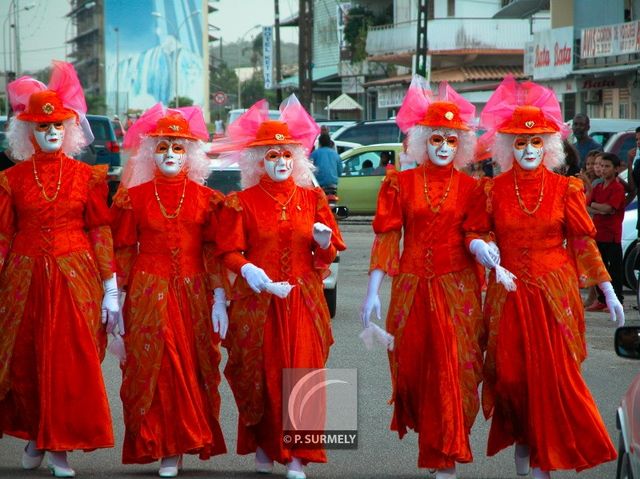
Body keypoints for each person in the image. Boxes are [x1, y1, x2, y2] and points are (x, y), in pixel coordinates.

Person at [474, 76, 623, 479]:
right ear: (507, 146)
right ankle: (522, 437)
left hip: (555, 293)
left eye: (536, 141)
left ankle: (545, 453)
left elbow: (581, 243)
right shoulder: (492, 189)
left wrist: (607, 288)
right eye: (520, 143)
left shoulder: (565, 189)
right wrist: (481, 247)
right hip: (508, 293)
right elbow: (480, 231)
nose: (527, 149)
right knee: (511, 376)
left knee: (554, 377)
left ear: (549, 145)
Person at [360, 76, 488, 479]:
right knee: (415, 370)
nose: (444, 148)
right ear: (422, 141)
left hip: (458, 288)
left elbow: (476, 231)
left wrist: (479, 245)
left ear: (461, 144)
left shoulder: (471, 187)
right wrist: (373, 290)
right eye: (436, 140)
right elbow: (388, 235)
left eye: (451, 140)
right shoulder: (401, 183)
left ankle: (445, 453)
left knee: (457, 369)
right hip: (412, 287)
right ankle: (433, 443)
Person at [216, 95, 346, 479]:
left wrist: (322, 244)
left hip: (303, 298)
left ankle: (298, 456)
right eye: (272, 155)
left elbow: (328, 252)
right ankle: (264, 444)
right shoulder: (242, 202)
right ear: (259, 161)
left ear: (297, 157)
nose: (281, 162)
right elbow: (227, 252)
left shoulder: (312, 197)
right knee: (260, 373)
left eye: (287, 154)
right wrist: (248, 270)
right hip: (259, 300)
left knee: (305, 371)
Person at [0, 61, 119, 477]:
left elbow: (101, 232)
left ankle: (59, 446)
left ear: (68, 129)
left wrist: (111, 287)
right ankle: (37, 433)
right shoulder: (11, 179)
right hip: (24, 278)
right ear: (27, 132)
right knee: (26, 360)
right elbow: (2, 236)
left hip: (76, 276)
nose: (50, 133)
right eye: (41, 127)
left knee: (69, 361)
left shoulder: (88, 177)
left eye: (57, 127)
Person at [111, 104, 227, 477]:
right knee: (156, 367)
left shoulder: (207, 199)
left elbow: (213, 251)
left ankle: (181, 440)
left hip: (192, 293)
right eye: (163, 147)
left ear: (190, 154)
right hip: (149, 291)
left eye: (178, 148)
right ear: (150, 153)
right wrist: (116, 294)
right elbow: (124, 247)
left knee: (190, 367)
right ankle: (161, 444)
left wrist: (219, 297)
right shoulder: (134, 197)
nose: (171, 155)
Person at [585, 152, 626, 312]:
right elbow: (587, 206)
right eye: (601, 166)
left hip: (612, 235)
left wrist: (597, 206)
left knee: (614, 270)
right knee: (598, 268)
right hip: (598, 233)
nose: (603, 169)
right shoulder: (598, 187)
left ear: (616, 169)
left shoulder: (617, 188)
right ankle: (601, 299)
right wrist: (598, 207)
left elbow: (609, 209)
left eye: (607, 166)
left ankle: (618, 299)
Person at [310, 132, 342, 196]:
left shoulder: (314, 154)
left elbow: (310, 169)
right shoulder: (335, 155)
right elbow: (339, 171)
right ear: (330, 143)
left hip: (319, 185)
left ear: (319, 143)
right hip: (333, 185)